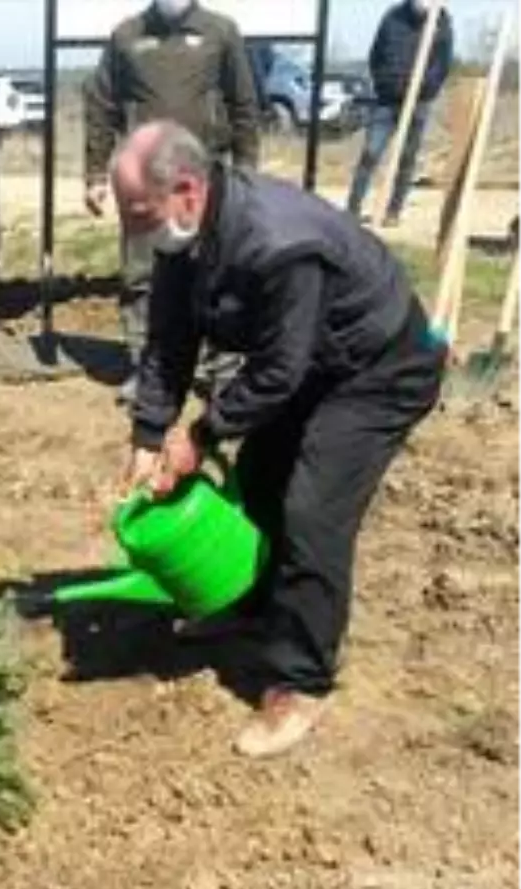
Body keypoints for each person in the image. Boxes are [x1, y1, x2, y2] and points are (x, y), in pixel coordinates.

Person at [114, 121, 444, 758]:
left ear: (186, 189)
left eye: (137, 211)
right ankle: (252, 600)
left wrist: (202, 435)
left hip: (380, 368)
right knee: (262, 473)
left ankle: (300, 681)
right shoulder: (181, 237)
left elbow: (278, 372)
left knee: (312, 508)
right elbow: (169, 341)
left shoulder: (276, 241)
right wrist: (149, 433)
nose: (131, 226)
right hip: (314, 362)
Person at [83, 0, 260, 404]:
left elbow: (244, 105)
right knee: (141, 277)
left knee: (220, 273)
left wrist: (248, 171)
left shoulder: (221, 31)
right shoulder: (126, 35)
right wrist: (96, 174)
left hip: (205, 178)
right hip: (146, 180)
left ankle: (222, 373)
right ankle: (146, 370)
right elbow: (101, 106)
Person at [346, 0, 454, 225]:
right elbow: (376, 53)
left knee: (407, 158)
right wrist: (383, 82)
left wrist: (425, 89)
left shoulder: (441, 22)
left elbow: (442, 65)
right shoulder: (393, 17)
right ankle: (352, 210)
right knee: (370, 153)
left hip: (419, 102)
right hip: (387, 100)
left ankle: (393, 212)